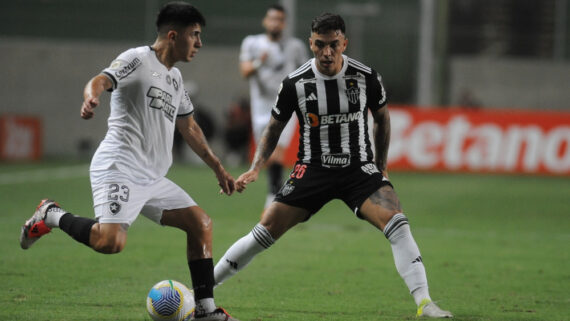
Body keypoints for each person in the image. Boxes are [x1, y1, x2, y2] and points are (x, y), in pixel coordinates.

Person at [214, 13, 453, 319]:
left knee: (397, 221)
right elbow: (273, 129)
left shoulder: (366, 76)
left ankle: (425, 302)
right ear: (311, 43)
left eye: (334, 45)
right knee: (266, 228)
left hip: (359, 169)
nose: (327, 52)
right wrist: (256, 167)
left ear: (344, 43)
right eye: (320, 45)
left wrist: (381, 166)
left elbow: (382, 119)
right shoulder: (295, 83)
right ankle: (204, 291)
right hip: (313, 169)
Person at [19, 3, 238, 321]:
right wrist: (91, 96)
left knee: (201, 225)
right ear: (173, 35)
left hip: (152, 177)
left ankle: (205, 312)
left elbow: (189, 127)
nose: (199, 43)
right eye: (195, 35)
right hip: (119, 167)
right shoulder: (137, 59)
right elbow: (101, 80)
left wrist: (218, 167)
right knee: (110, 243)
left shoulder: (175, 78)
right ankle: (51, 214)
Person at [239, 4, 308, 210]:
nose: (275, 23)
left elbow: (305, 72)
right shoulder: (252, 43)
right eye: (272, 18)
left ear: (284, 23)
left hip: (286, 104)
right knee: (266, 153)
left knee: (277, 151)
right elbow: (245, 72)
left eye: (279, 19)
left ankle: (273, 197)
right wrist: (260, 61)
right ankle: (278, 193)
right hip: (260, 106)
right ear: (265, 21)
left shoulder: (295, 46)